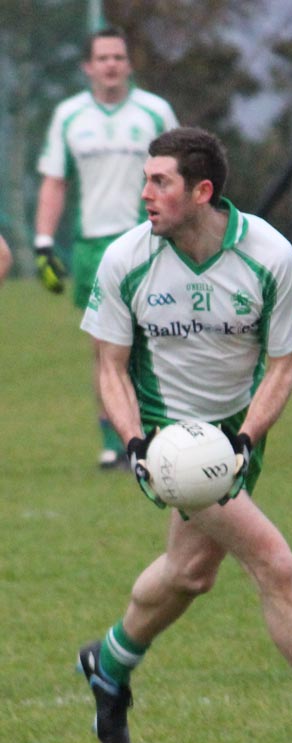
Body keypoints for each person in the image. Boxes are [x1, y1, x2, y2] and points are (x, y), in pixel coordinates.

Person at [78, 127, 292, 743]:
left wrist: (242, 442)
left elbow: (283, 365)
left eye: (160, 182)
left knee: (191, 573)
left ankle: (110, 662)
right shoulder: (126, 258)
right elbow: (111, 366)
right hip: (170, 437)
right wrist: (136, 446)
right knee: (274, 564)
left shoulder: (270, 256)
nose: (144, 192)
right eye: (145, 179)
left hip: (236, 433)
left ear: (201, 191)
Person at [34, 26, 179, 468]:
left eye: (118, 57)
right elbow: (55, 181)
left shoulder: (155, 112)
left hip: (151, 241)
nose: (111, 65)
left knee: (161, 339)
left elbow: (181, 172)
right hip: (93, 247)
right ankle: (115, 443)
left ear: (129, 63)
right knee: (105, 347)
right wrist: (43, 243)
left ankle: (167, 432)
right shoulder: (70, 116)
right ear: (88, 67)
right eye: (103, 58)